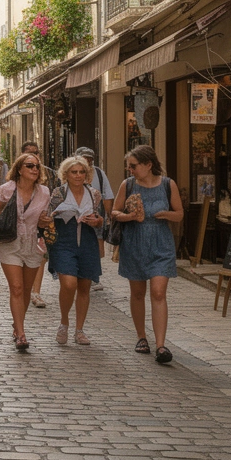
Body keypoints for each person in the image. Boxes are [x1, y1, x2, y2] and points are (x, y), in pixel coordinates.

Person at [109, 145, 183, 363]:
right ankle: (141, 337)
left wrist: (167, 214)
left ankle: (161, 345)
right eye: (128, 166)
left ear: (148, 165)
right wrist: (129, 217)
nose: (129, 170)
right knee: (138, 293)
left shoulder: (168, 184)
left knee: (158, 292)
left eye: (133, 166)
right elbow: (114, 212)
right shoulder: (128, 184)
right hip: (134, 243)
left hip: (161, 243)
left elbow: (179, 214)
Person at [0, 152, 51, 350]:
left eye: (37, 166)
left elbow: (46, 218)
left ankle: (17, 323)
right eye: (30, 166)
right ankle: (21, 333)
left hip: (33, 245)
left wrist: (46, 221)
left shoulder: (44, 192)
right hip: (10, 243)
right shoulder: (6, 190)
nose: (35, 169)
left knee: (26, 290)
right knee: (17, 288)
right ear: (19, 169)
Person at [46, 156, 105, 345]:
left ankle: (79, 330)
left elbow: (101, 219)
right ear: (66, 174)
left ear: (86, 174)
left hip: (87, 241)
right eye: (74, 172)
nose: (78, 176)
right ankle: (64, 322)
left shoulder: (94, 194)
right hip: (64, 240)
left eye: (81, 172)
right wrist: (53, 218)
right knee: (69, 283)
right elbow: (46, 216)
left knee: (84, 286)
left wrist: (97, 221)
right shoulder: (59, 193)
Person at [74, 146, 114, 289]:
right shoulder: (70, 172)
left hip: (95, 215)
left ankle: (94, 276)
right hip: (75, 216)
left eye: (90, 160)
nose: (87, 162)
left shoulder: (99, 173)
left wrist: (109, 216)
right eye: (85, 159)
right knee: (77, 244)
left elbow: (107, 195)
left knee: (96, 246)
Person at [21, 141, 52, 309]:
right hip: (20, 228)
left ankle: (36, 292)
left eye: (36, 152)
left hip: (40, 227)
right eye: (29, 153)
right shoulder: (16, 175)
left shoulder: (47, 174)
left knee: (40, 258)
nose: (34, 155)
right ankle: (25, 290)